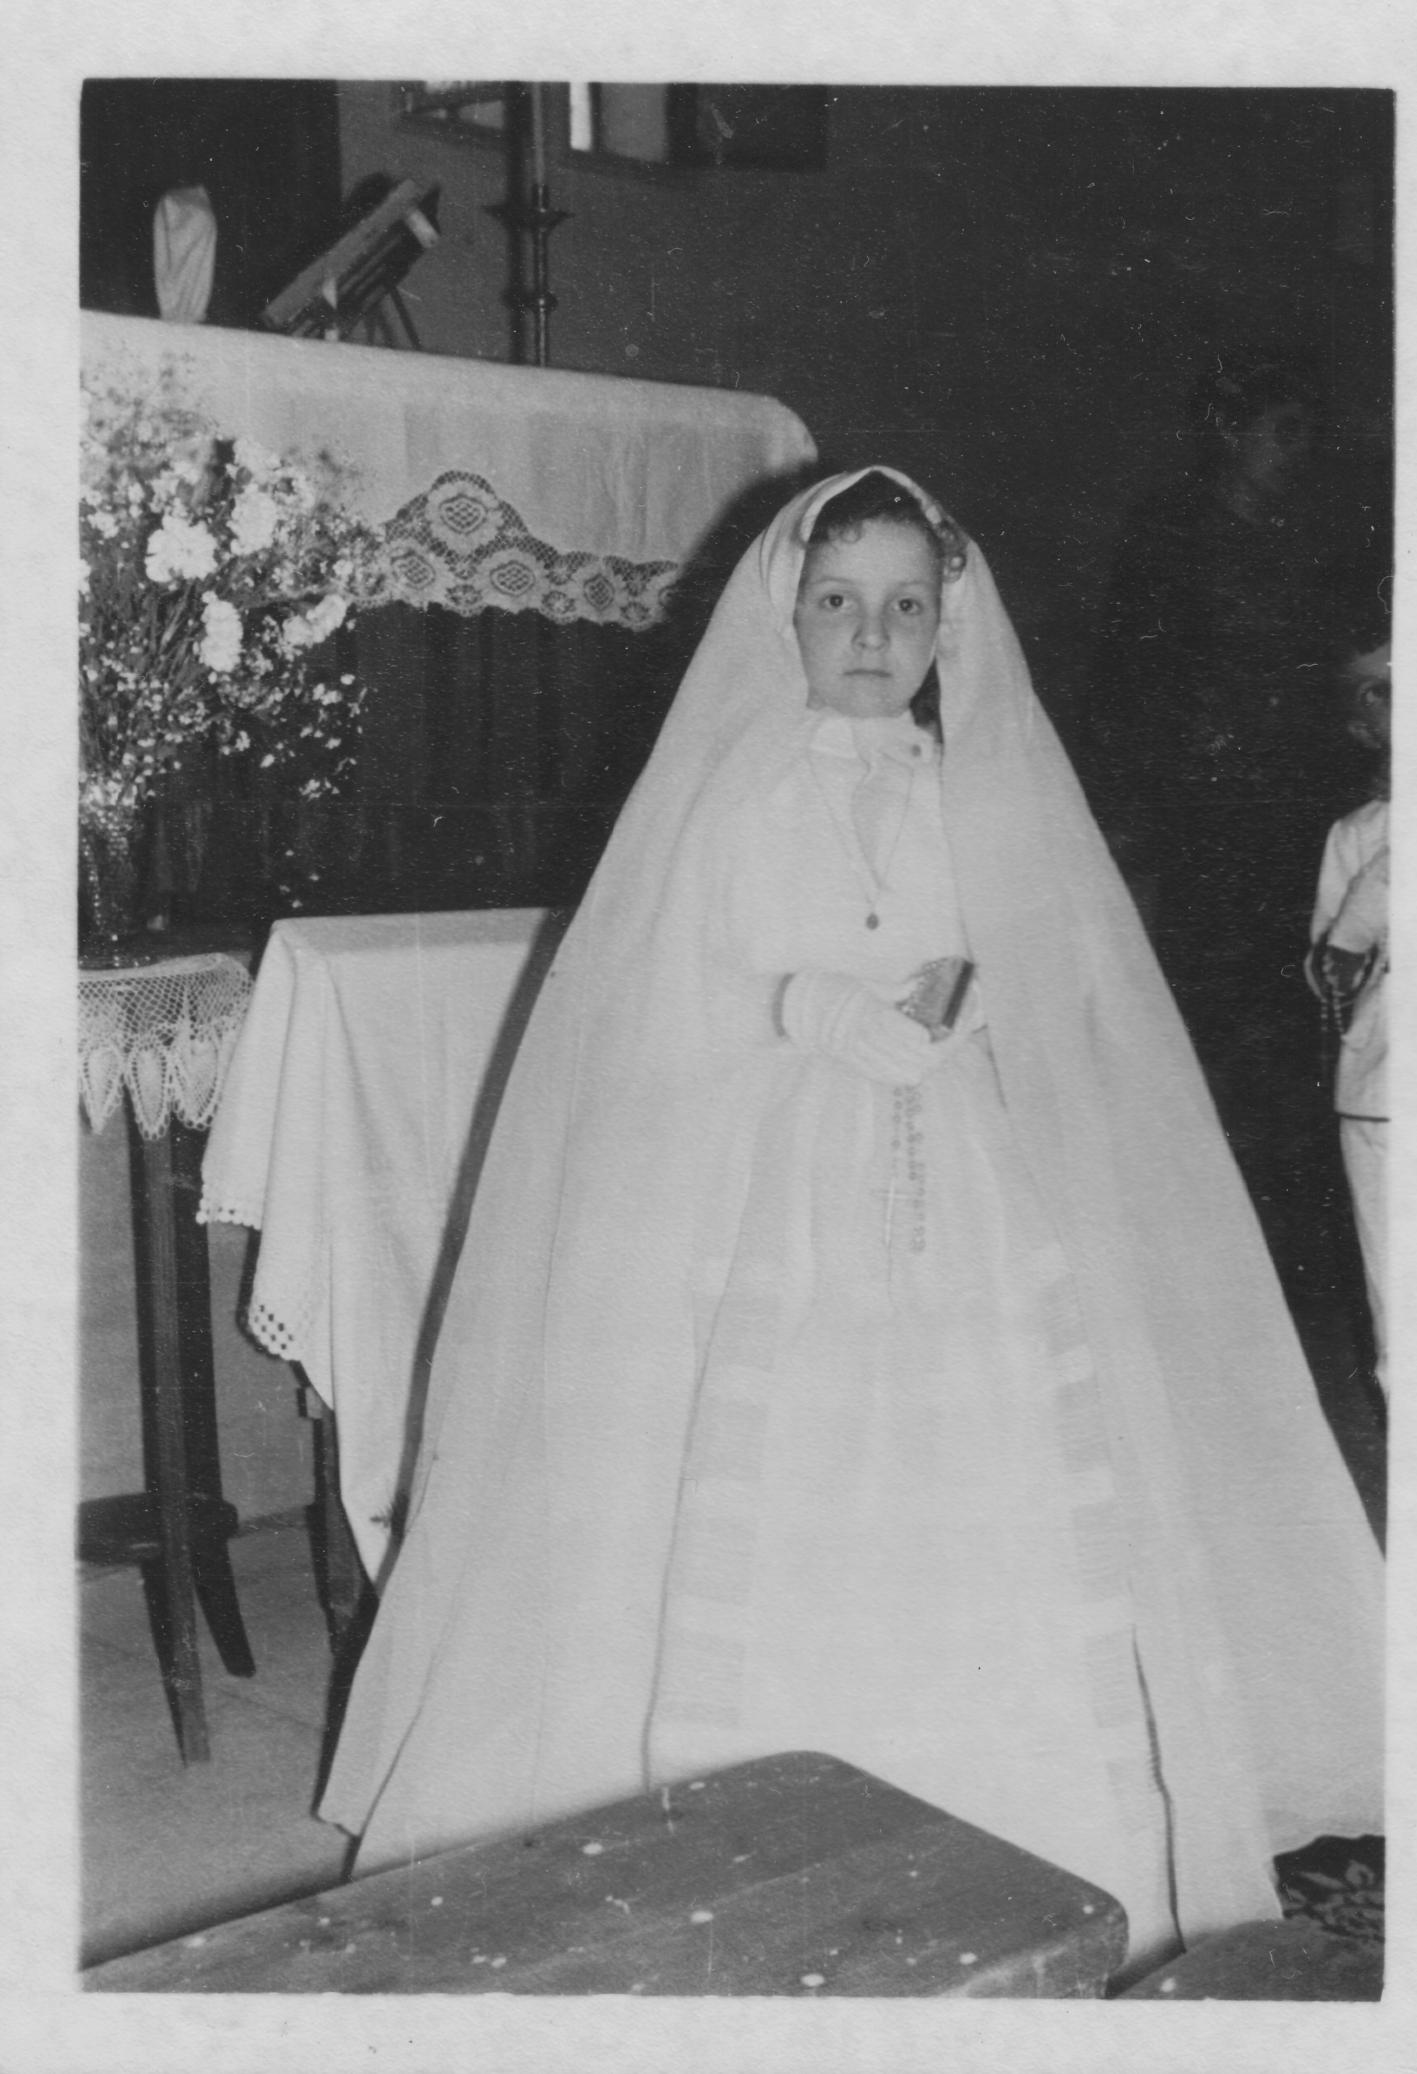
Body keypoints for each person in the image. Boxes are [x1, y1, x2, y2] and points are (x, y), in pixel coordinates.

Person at [320, 469, 1382, 1981]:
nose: (872, 636)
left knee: (999, 1464)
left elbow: (1067, 970)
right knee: (771, 1467)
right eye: (838, 602)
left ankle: (1036, 1819)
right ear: (786, 615)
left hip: (966, 1176)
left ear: (949, 623)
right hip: (774, 1176)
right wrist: (794, 1005)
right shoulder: (732, 793)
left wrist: (982, 996)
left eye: (904, 606)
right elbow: (651, 1001)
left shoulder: (984, 786)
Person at [1081, 350, 1361, 1298]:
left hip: (1284, 811)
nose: (1299, 451)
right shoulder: (1171, 534)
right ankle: (1186, 1216)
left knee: (1280, 1013)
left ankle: (1271, 1231)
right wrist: (1139, 801)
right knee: (1200, 1005)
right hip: (1197, 814)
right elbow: (1128, 679)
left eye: (1308, 435)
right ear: (1234, 433)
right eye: (1284, 432)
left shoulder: (1302, 543)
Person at [1309, 632, 1391, 1399]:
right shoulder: (1355, 836)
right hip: (1385, 1091)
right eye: (1381, 692)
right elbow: (1328, 967)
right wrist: (1342, 952)